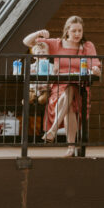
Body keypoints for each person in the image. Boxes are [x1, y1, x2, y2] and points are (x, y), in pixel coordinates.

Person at [23, 17, 100, 157]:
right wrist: (38, 33)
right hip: (59, 86)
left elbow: (95, 65)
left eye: (80, 31)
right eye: (74, 31)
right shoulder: (57, 44)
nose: (77, 34)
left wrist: (95, 70)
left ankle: (53, 130)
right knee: (68, 98)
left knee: (71, 89)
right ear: (67, 31)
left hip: (80, 86)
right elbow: (26, 41)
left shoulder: (87, 46)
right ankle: (70, 147)